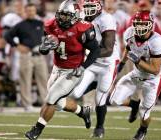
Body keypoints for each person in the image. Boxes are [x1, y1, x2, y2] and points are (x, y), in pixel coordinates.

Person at [25, 0, 100, 139]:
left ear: (76, 15)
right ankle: (82, 111)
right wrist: (43, 48)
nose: (62, 18)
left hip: (72, 71)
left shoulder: (83, 28)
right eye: (61, 15)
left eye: (66, 15)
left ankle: (36, 130)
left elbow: (95, 50)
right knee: (58, 103)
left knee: (51, 98)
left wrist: (83, 67)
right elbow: (46, 47)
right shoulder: (50, 24)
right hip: (56, 68)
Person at [108, 10, 161, 140]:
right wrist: (121, 65)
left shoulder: (157, 41)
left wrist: (138, 60)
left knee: (144, 113)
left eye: (143, 24)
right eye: (137, 24)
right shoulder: (129, 33)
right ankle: (133, 104)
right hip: (136, 73)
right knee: (113, 100)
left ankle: (142, 129)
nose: (139, 27)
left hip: (153, 79)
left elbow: (155, 70)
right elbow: (128, 49)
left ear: (151, 25)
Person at [68, 0, 119, 138]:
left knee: (100, 99)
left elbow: (108, 49)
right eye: (87, 7)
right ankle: (94, 86)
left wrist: (85, 55)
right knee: (75, 94)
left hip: (107, 63)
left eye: (92, 7)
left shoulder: (106, 19)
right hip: (92, 62)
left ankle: (99, 127)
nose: (88, 10)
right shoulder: (81, 18)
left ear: (99, 7)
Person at [4, 3, 48, 111]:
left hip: (39, 55)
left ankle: (46, 103)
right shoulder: (20, 25)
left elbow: (49, 36)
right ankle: (27, 104)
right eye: (28, 11)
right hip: (26, 55)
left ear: (35, 11)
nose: (31, 12)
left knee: (44, 80)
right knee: (25, 80)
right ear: (25, 11)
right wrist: (17, 46)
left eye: (32, 10)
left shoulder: (41, 23)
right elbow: (7, 35)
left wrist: (46, 47)